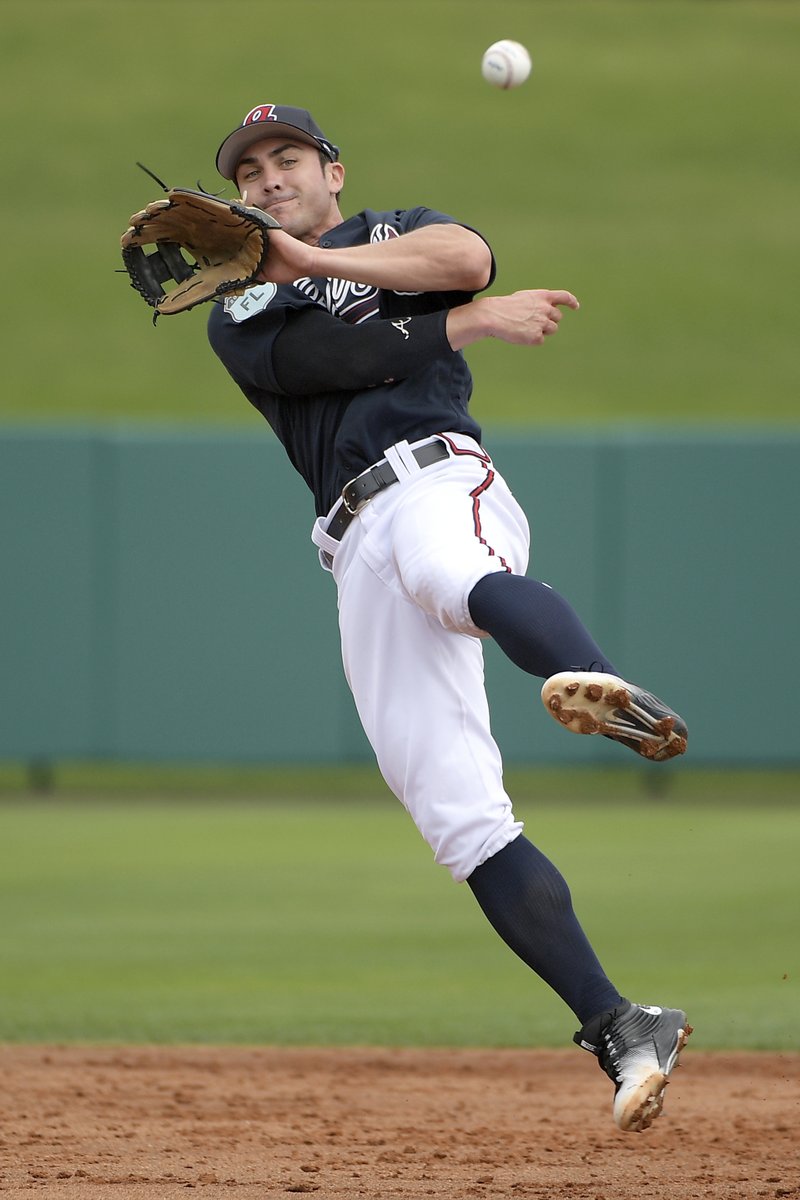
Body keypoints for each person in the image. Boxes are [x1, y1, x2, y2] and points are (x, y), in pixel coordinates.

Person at [206, 103, 691, 1132]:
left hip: (432, 478)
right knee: (451, 811)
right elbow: (330, 367)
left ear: (332, 171)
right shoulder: (237, 309)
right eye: (247, 172)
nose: (265, 179)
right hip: (348, 544)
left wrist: (323, 261)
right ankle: (620, 1026)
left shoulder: (391, 232)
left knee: (448, 572)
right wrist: (466, 320)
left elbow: (464, 254)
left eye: (285, 157)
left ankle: (594, 679)